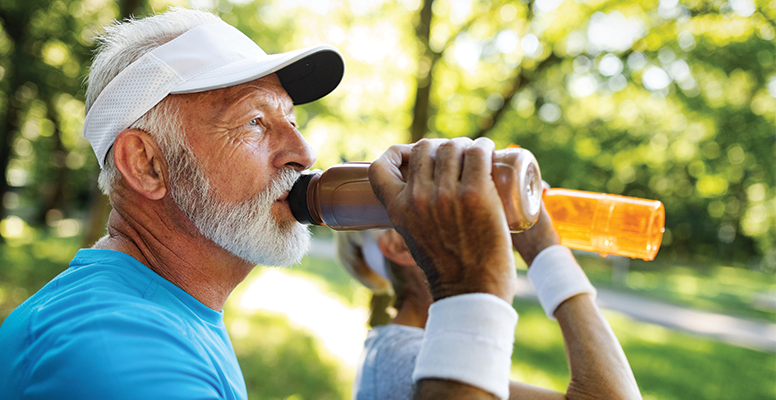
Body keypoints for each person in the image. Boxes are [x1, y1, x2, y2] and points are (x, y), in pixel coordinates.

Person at [0, 7, 636, 400]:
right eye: (255, 123)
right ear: (147, 164)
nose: (301, 150)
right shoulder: (113, 348)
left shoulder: (165, 313)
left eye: (294, 121)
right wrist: (472, 293)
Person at [338, 204, 642, 400]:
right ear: (398, 245)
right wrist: (545, 253)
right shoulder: (406, 361)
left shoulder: (394, 350)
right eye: (443, 207)